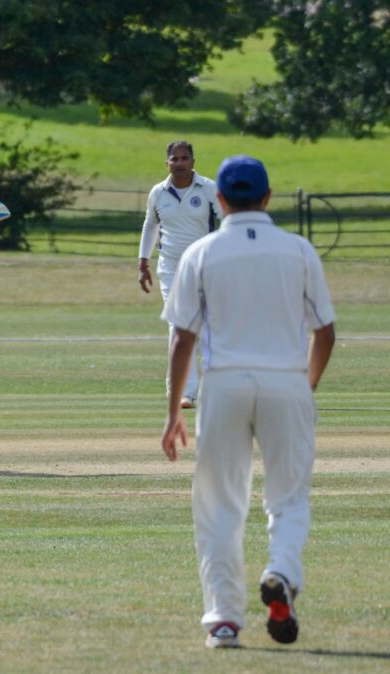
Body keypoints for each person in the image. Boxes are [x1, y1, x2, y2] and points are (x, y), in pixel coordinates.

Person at [160, 156, 336, 649]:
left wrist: (174, 411)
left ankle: (223, 621)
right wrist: (306, 385)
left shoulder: (202, 252)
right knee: (288, 498)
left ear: (219, 201)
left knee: (219, 505)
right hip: (287, 382)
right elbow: (325, 332)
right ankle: (280, 572)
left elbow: (181, 339)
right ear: (268, 197)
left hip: (223, 384)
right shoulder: (298, 250)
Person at [138, 141, 222, 409]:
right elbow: (150, 225)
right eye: (175, 159)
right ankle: (184, 392)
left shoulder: (209, 189)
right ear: (167, 163)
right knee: (178, 326)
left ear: (193, 162)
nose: (180, 163)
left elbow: (227, 219)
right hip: (171, 267)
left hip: (205, 266)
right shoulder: (158, 192)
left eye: (185, 158)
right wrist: (143, 261)